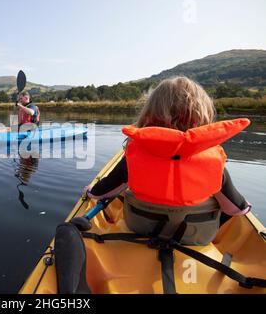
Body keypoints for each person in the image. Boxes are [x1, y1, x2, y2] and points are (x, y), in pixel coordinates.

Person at [84, 77, 251, 237]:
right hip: (195, 238)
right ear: (203, 116)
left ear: (149, 114)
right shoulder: (214, 163)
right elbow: (235, 209)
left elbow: (101, 193)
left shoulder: (134, 156)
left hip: (139, 230)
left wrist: (91, 191)